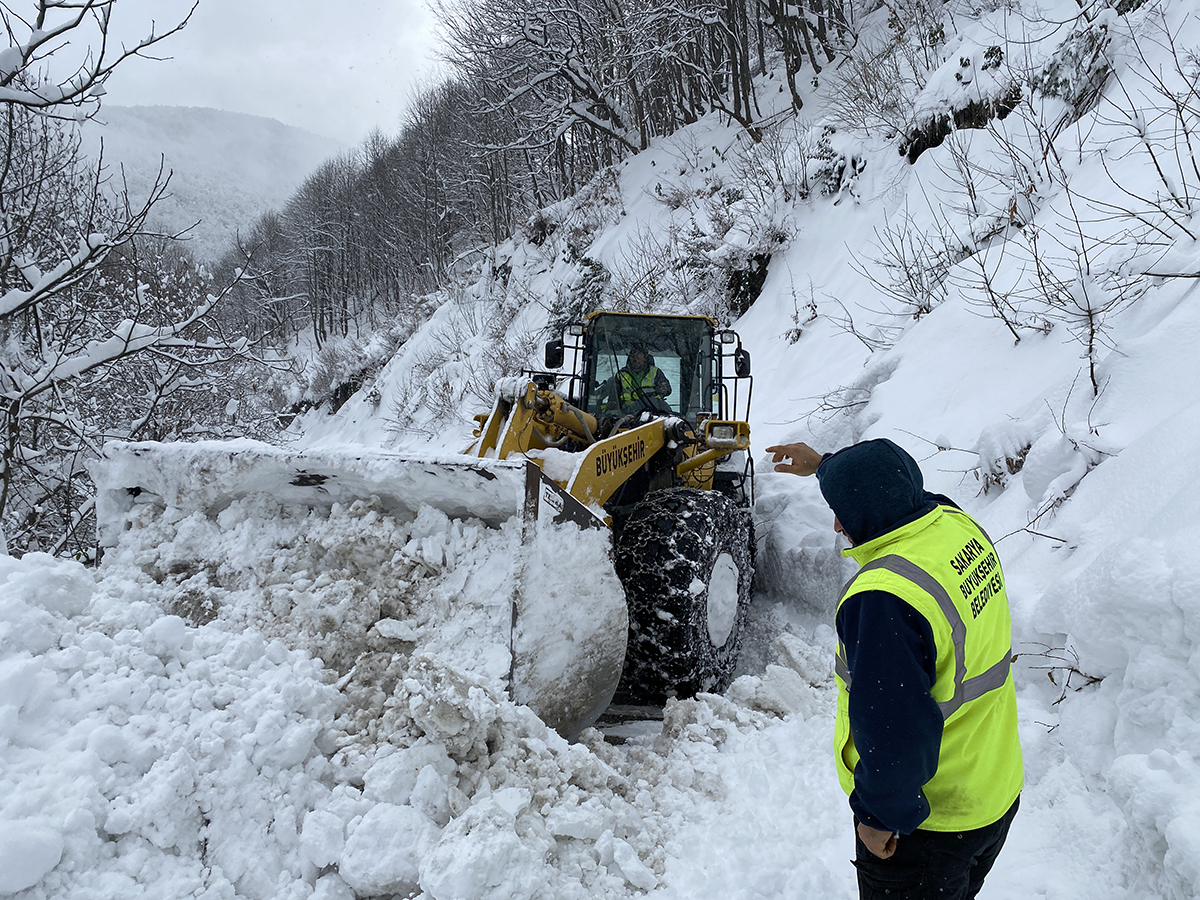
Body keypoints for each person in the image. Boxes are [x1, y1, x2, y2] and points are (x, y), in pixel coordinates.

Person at [765, 438, 1022, 900]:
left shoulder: (886, 597)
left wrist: (880, 817)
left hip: (928, 824)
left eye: (844, 511)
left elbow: (894, 727)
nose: (839, 524)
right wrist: (826, 468)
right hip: (992, 791)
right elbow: (895, 488)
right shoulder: (957, 528)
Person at [602, 346, 671, 412]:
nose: (636, 359)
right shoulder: (621, 374)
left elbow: (667, 389)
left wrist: (664, 389)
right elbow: (614, 395)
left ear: (645, 358)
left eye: (639, 356)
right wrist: (612, 404)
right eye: (633, 356)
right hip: (627, 413)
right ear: (630, 358)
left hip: (652, 411)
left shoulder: (655, 372)